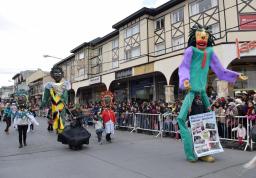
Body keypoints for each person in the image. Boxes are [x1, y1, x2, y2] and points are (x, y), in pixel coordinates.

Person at [177, 23, 247, 162]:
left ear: (208, 38)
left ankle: (204, 152)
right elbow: (184, 67)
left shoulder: (210, 52)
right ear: (195, 37)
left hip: (202, 95)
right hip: (191, 93)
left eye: (205, 36)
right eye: (199, 35)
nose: (203, 38)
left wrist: (235, 75)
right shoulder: (190, 51)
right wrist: (185, 80)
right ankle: (189, 151)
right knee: (181, 119)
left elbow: (220, 71)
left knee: (206, 122)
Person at [41, 66, 70, 134]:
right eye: (55, 72)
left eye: (59, 72)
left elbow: (66, 96)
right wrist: (43, 104)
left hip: (62, 106)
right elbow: (45, 97)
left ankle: (61, 132)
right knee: (56, 118)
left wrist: (66, 104)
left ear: (62, 74)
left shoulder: (65, 84)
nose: (57, 74)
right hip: (54, 106)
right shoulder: (49, 85)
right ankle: (59, 130)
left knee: (62, 119)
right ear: (52, 74)